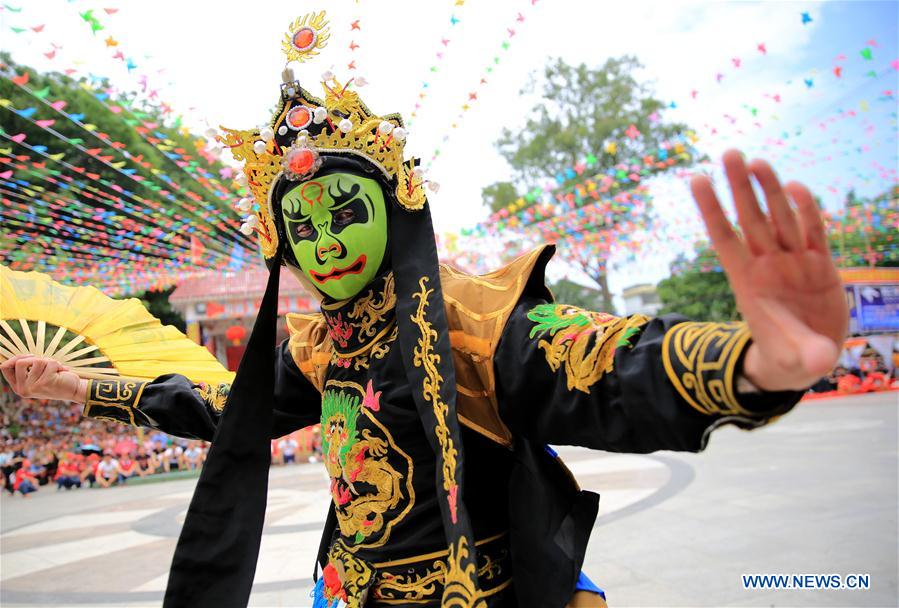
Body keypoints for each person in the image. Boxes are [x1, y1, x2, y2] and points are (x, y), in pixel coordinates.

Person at [0, 12, 849, 608]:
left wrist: (751, 362)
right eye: (301, 225)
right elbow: (229, 413)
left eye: (343, 213)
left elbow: (595, 363)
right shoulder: (310, 346)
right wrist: (82, 390)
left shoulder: (470, 321)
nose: (323, 241)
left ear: (394, 207)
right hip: (348, 593)